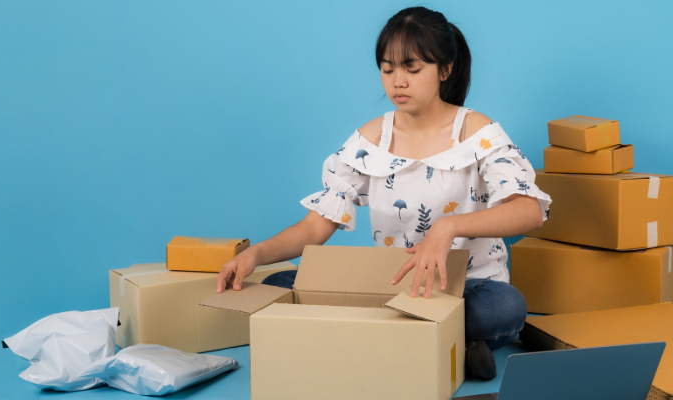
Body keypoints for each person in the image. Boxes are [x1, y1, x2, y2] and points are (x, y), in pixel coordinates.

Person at [214, 6, 551, 380]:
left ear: (445, 69)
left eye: (412, 68)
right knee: (278, 285)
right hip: (392, 288)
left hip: (466, 290)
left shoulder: (477, 132)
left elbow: (529, 211)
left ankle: (379, 339)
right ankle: (437, 344)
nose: (397, 82)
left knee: (504, 309)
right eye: (387, 69)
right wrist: (256, 254)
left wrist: (447, 227)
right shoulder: (370, 140)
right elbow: (315, 227)